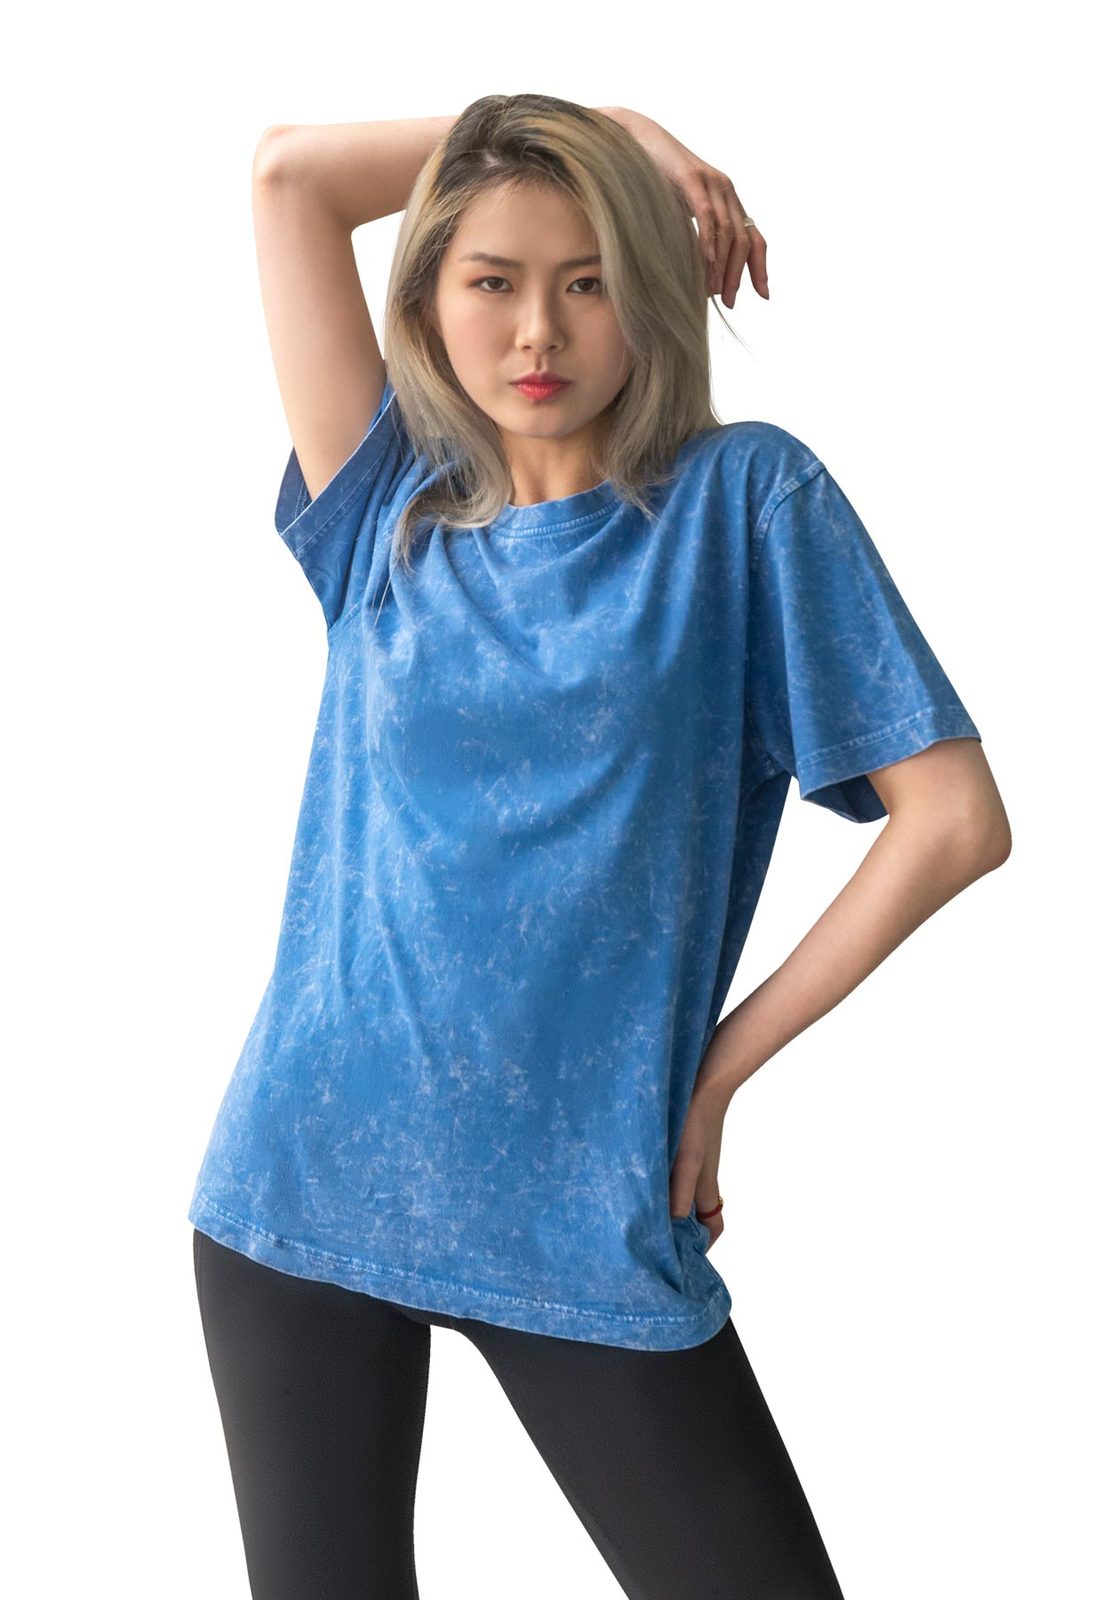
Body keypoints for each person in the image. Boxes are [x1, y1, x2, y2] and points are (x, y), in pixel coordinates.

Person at [188, 94, 1011, 1599]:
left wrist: (715, 1071)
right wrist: (611, 124)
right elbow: (289, 176)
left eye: (590, 280)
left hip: (585, 1203)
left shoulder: (745, 503)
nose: (537, 331)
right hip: (305, 1182)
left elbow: (954, 821)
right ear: (427, 299)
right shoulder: (383, 502)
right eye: (492, 280)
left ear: (651, 292)